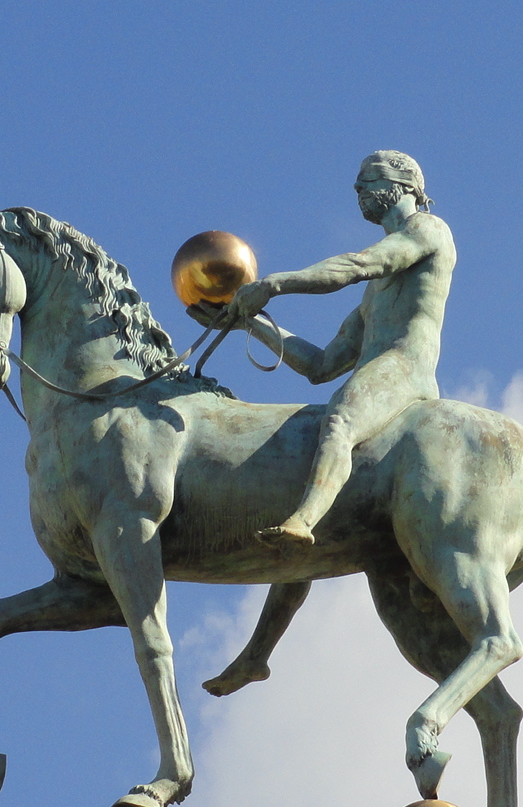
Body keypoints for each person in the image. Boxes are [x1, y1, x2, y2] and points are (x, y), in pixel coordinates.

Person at [195, 150, 456, 547]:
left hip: (405, 369)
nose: (358, 188)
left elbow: (358, 264)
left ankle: (305, 520)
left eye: (369, 179)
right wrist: (248, 322)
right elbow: (320, 365)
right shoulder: (375, 295)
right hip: (378, 370)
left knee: (339, 423)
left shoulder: (429, 230)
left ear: (403, 187)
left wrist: (274, 284)